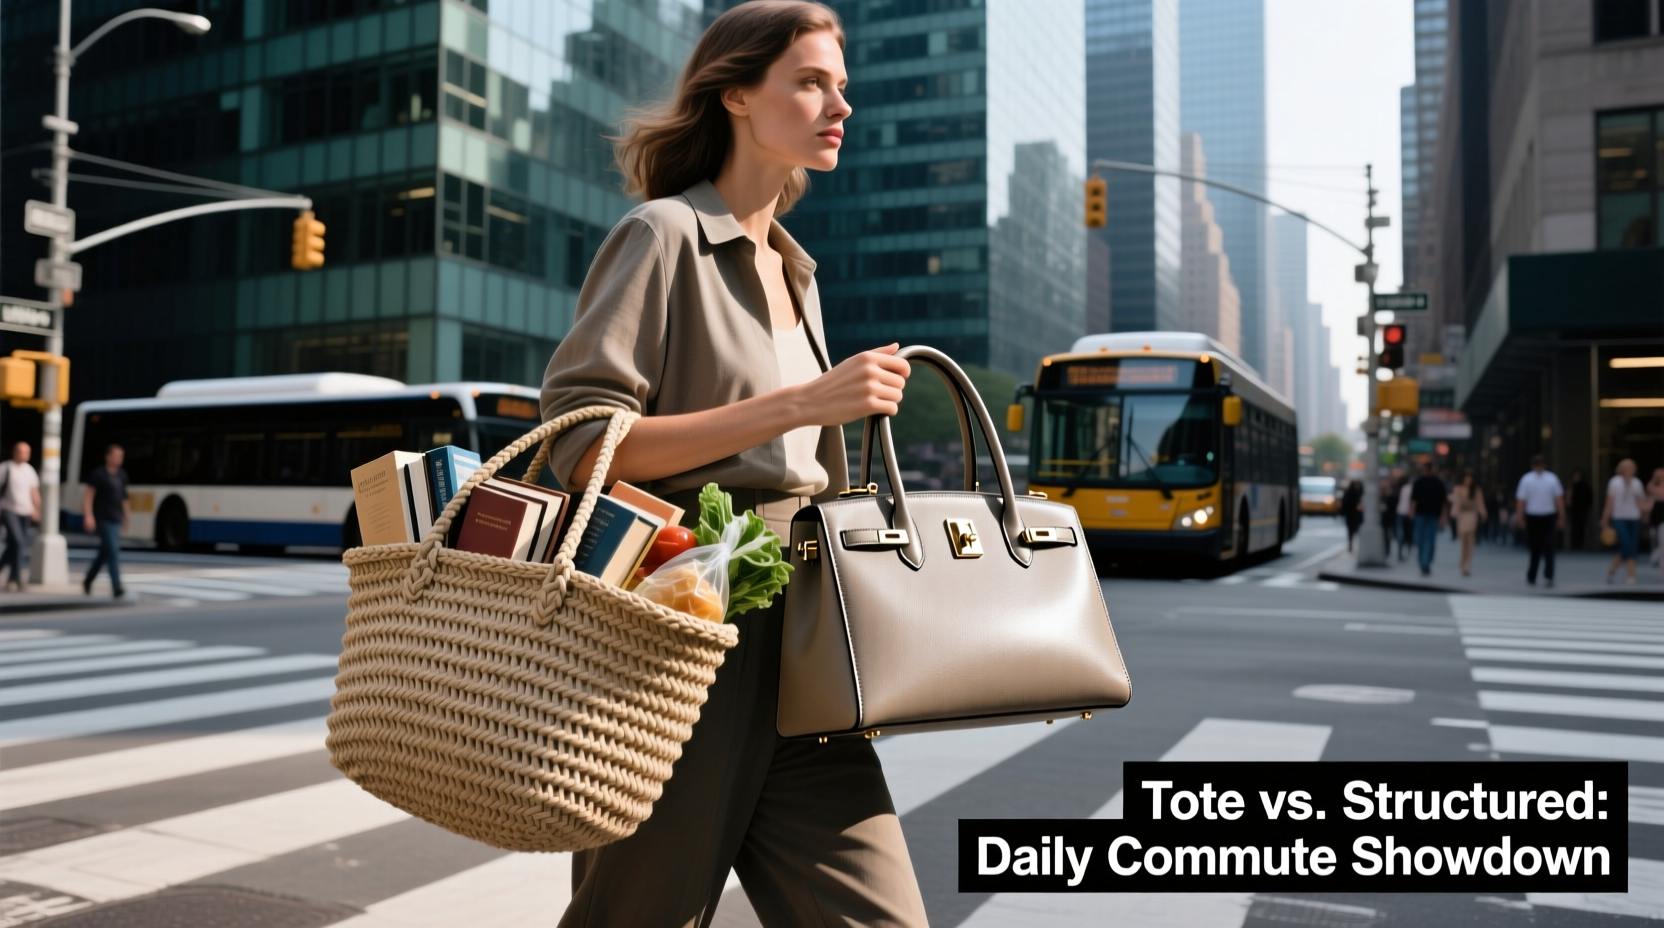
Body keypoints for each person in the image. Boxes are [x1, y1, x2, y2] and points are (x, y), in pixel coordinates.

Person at [538, 5, 928, 924]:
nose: (840, 105)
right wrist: (804, 402)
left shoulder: (797, 270)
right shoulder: (662, 235)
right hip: (682, 629)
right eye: (811, 82)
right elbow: (582, 442)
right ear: (737, 95)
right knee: (638, 914)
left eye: (841, 86)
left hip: (809, 638)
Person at [82, 444, 130, 598]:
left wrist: (126, 517)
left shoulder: (121, 475)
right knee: (113, 551)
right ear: (108, 457)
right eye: (116, 455)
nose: (119, 459)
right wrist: (88, 515)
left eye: (121, 456)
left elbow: (124, 498)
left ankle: (88, 579)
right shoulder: (99, 474)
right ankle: (117, 587)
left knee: (105, 552)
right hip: (102, 519)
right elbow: (88, 496)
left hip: (116, 519)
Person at [1515, 454, 1565, 587]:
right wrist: (1520, 517)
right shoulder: (1528, 479)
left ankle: (1546, 575)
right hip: (1533, 516)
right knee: (1535, 548)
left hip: (1547, 515)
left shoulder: (1551, 479)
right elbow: (1521, 500)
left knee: (1548, 547)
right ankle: (1534, 575)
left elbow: (1558, 499)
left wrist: (1561, 516)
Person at [0, 442, 41, 591]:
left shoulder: (29, 470)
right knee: (18, 542)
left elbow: (34, 491)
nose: (25, 455)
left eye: (27, 452)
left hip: (26, 511)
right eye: (22, 452)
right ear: (15, 452)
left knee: (15, 545)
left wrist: (37, 509)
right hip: (9, 510)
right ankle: (15, 578)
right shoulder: (5, 467)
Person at [1601, 458, 1649, 585]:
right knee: (1626, 543)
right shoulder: (1615, 482)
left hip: (1634, 516)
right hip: (1619, 516)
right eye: (1627, 468)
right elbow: (1609, 501)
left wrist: (1645, 515)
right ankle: (1615, 568)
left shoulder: (1637, 483)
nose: (1629, 470)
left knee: (1632, 546)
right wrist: (1605, 518)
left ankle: (1630, 574)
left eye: (1631, 468)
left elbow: (1641, 500)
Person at [1410, 461, 1449, 576]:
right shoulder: (1420, 482)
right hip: (1423, 514)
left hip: (1431, 515)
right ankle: (1424, 563)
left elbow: (1443, 502)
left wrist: (1444, 515)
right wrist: (1412, 511)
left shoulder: (1437, 483)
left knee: (1428, 540)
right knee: (1424, 540)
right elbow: (1414, 500)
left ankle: (1425, 563)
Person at [1450, 469, 1488, 577]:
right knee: (1463, 541)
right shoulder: (1458, 488)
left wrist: (1483, 513)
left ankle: (1467, 564)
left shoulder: (1476, 489)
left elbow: (1480, 503)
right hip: (1462, 516)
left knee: (1470, 541)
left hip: (1472, 515)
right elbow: (1455, 500)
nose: (1468, 480)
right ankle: (1463, 562)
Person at [1568, 470, 1593, 550]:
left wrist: (1587, 508)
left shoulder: (1585, 486)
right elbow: (1568, 499)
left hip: (1582, 510)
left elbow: (1589, 498)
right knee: (1574, 527)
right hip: (1573, 510)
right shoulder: (1572, 486)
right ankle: (1574, 545)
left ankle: (1580, 544)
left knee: (1581, 527)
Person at [1648, 467, 1664, 578]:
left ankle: (1656, 559)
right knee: (1661, 543)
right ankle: (1655, 558)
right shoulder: (1652, 485)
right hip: (1657, 518)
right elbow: (1656, 492)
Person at [1341, 479, 1364, 552]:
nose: (1357, 486)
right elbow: (1344, 504)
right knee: (1350, 532)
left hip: (1358, 516)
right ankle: (1350, 545)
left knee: (1358, 531)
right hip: (1350, 515)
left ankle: (1358, 546)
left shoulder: (1361, 493)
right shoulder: (1349, 493)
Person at [1396, 476, 1414, 561]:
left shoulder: (1402, 488)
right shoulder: (1410, 488)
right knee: (1409, 533)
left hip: (1401, 512)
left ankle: (1401, 552)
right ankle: (1408, 550)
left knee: (1401, 533)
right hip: (1408, 513)